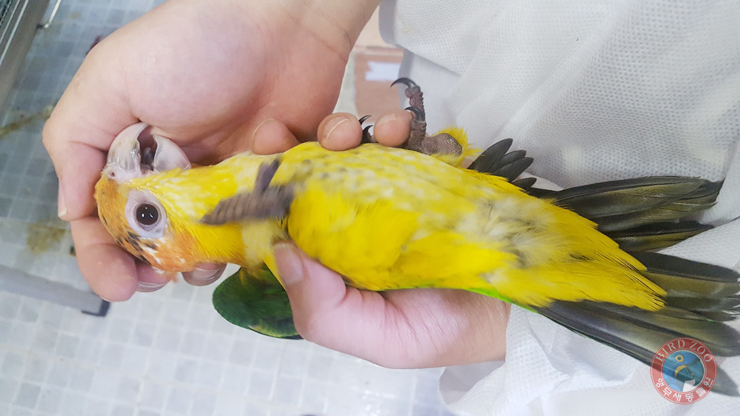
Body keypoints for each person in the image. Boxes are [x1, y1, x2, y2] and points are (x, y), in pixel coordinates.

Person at [43, 0, 739, 414]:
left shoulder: (255, 179)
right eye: (148, 213)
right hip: (502, 244)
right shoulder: (254, 259)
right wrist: (298, 15)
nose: (136, 160)